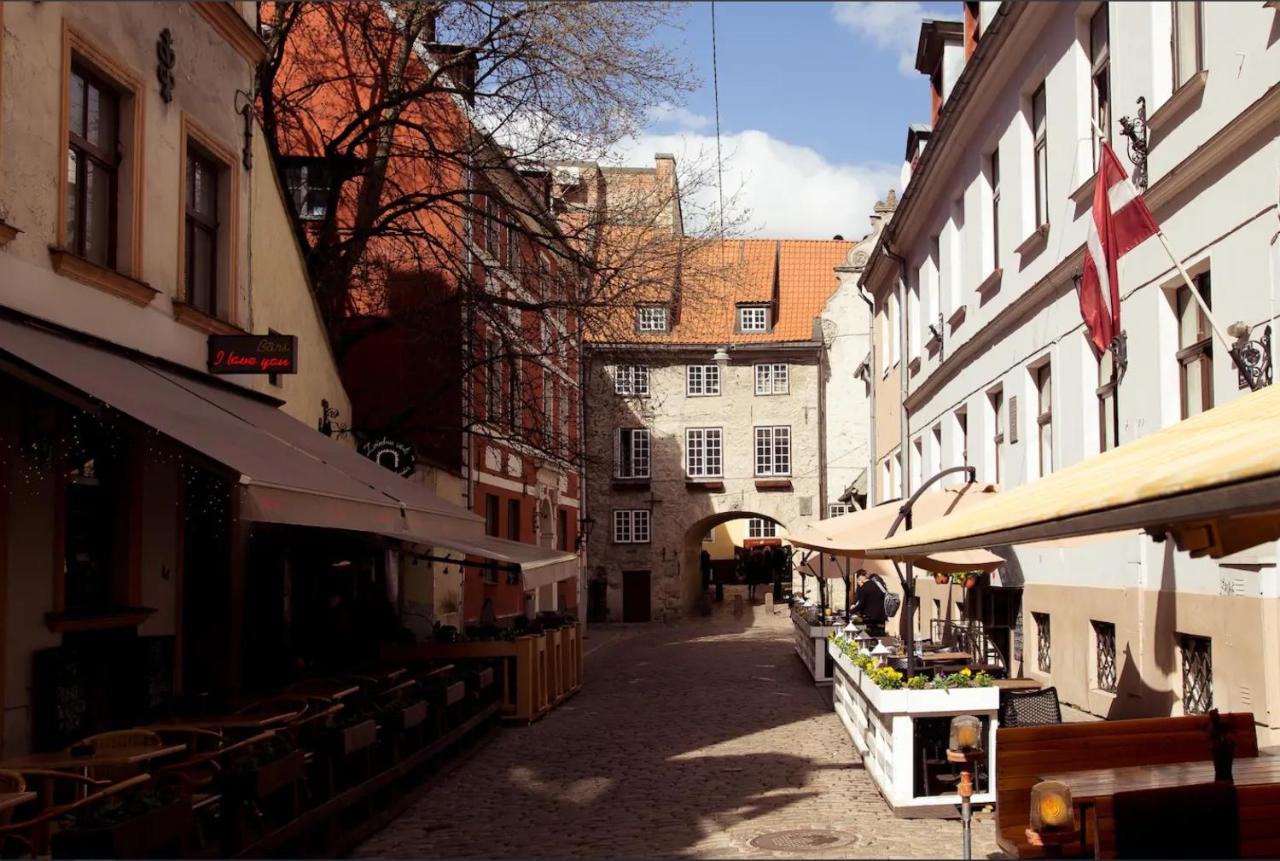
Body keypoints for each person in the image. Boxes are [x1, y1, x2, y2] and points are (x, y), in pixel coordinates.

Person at [851, 569, 889, 636]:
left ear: (860, 577)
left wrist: (851, 611)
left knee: (871, 637)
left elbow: (861, 605)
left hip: (870, 619)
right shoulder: (878, 585)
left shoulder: (864, 588)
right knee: (881, 636)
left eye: (858, 579)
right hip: (881, 617)